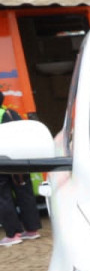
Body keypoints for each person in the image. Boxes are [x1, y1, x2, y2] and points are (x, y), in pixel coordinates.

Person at [0, 90, 42, 247]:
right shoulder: (11, 113)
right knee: (24, 192)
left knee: (3, 197)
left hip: (2, 161)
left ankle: (13, 234)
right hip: (18, 159)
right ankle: (32, 230)